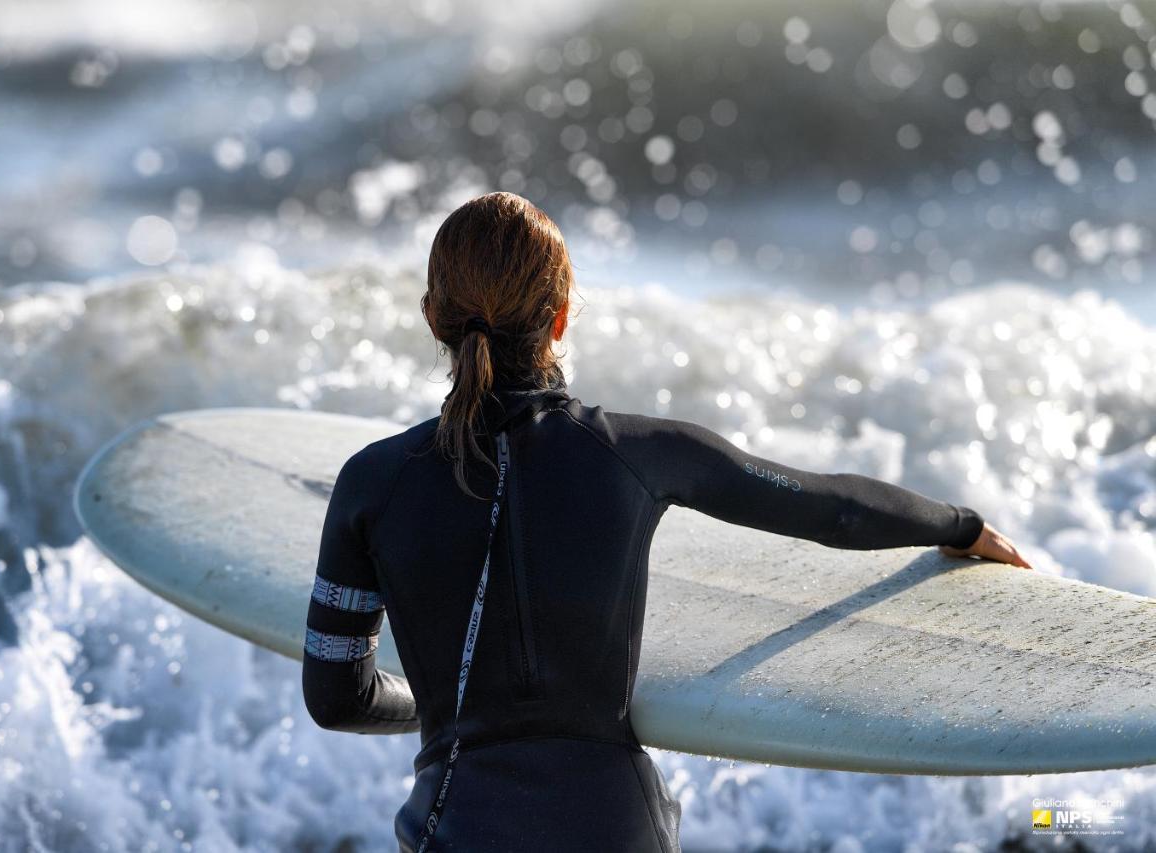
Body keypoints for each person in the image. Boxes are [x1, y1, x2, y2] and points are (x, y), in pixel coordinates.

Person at [301, 192, 1033, 852]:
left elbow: (338, 698)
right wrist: (959, 524)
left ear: (433, 315)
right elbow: (827, 505)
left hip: (452, 829)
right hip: (614, 832)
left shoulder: (373, 482)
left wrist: (438, 710)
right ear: (559, 319)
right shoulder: (639, 455)